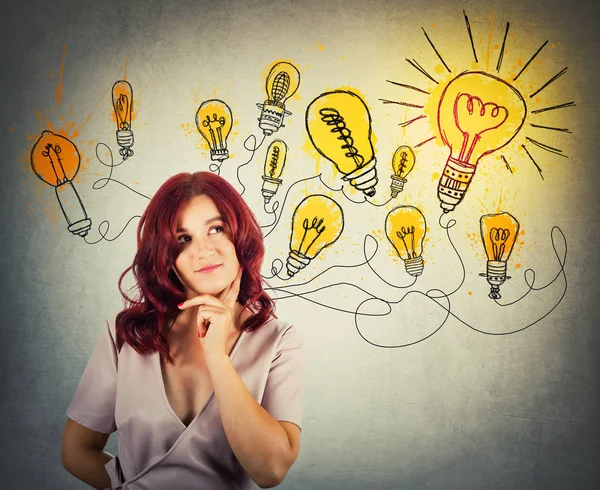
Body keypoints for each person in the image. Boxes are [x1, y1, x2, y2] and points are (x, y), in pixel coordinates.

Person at [61, 171, 303, 489]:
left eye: (216, 229)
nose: (203, 250)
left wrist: (216, 356)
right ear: (167, 255)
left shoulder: (279, 341)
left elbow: (271, 471)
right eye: (183, 238)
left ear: (239, 236)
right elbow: (76, 450)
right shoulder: (125, 336)